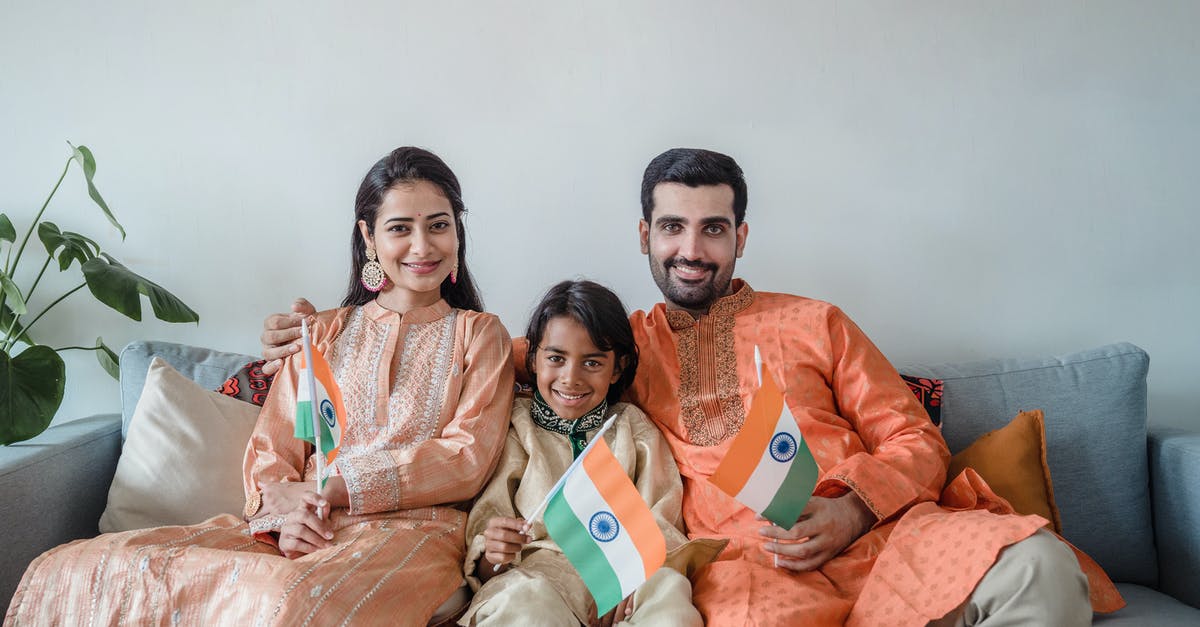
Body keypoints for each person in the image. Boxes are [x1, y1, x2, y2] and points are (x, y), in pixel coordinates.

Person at [259, 148, 1124, 626]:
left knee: (1041, 570)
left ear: (741, 235)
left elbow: (917, 439)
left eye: (714, 228)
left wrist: (854, 506)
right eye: (673, 226)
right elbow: (464, 354)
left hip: (882, 534)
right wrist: (327, 326)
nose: (693, 248)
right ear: (645, 235)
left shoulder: (817, 320)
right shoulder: (613, 345)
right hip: (751, 566)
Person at [5, 147, 515, 626]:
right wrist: (282, 519)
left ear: (458, 231)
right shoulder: (323, 331)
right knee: (88, 567)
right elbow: (273, 450)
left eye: (439, 225)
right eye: (400, 227)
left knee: (292, 602)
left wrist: (334, 489)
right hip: (299, 528)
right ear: (368, 236)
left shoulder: (480, 334)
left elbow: (465, 458)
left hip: (415, 536)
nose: (423, 246)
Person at [459, 280, 710, 627]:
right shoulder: (515, 427)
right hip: (540, 577)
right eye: (556, 359)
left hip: (625, 580)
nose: (571, 378)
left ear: (618, 368)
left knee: (668, 590)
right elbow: (490, 544)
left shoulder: (631, 428)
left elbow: (661, 521)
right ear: (533, 360)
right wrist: (494, 553)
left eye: (592, 363)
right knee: (524, 602)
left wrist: (629, 579)